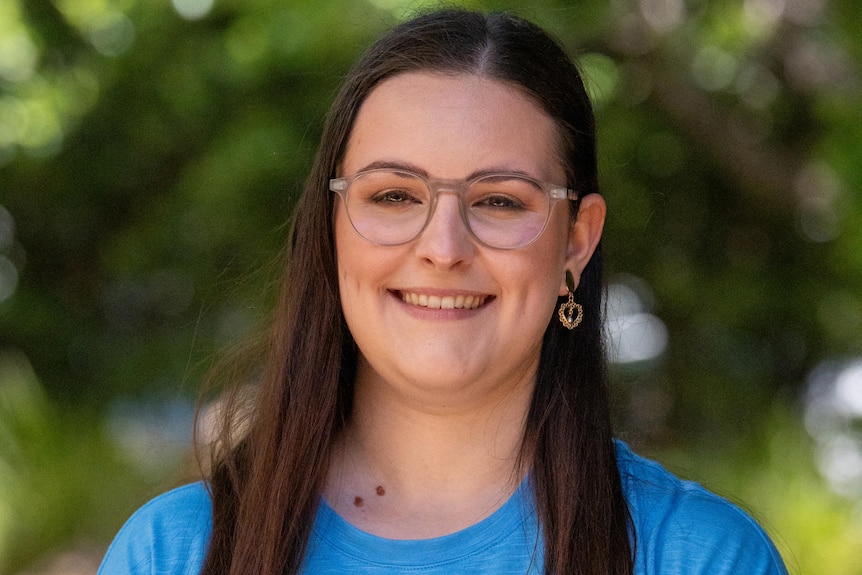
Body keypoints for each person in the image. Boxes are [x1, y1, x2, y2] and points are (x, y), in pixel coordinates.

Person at [98, 8, 789, 575]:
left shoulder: (704, 558)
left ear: (577, 240)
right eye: (395, 194)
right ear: (330, 225)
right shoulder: (173, 553)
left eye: (499, 201)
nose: (443, 247)